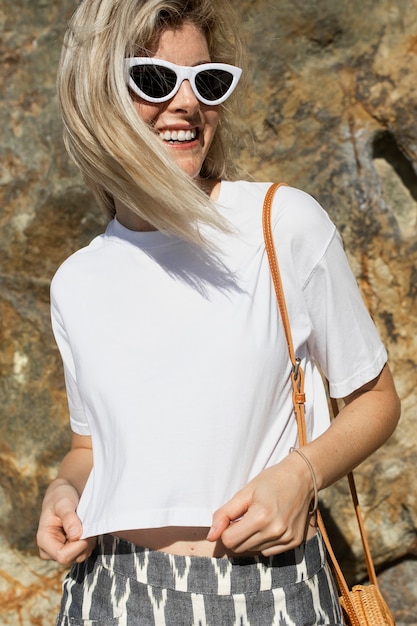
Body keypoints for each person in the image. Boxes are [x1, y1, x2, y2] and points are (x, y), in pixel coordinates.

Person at [36, 0, 401, 624]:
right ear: (96, 95)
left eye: (207, 81)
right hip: (109, 592)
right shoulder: (78, 279)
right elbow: (88, 445)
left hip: (268, 589)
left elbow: (377, 399)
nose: (186, 104)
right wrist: (64, 490)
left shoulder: (282, 223)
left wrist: (302, 474)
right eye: (153, 79)